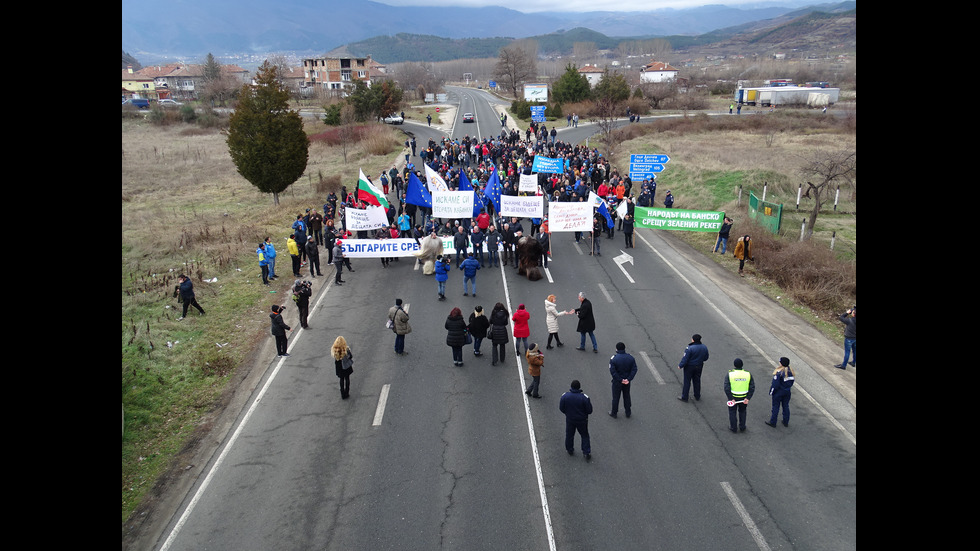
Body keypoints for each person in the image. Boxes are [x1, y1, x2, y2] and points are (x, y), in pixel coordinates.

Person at [559, 380, 593, 461]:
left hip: (570, 419)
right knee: (584, 435)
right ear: (579, 387)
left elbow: (561, 408)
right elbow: (589, 410)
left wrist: (568, 413)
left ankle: (569, 449)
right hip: (582, 420)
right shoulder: (584, 398)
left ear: (571, 387)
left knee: (569, 434)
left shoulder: (565, 396)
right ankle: (586, 452)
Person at [724, 358, 755, 432]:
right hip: (744, 398)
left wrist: (731, 398)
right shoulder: (748, 374)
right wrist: (748, 398)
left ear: (734, 365)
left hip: (733, 397)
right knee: (742, 412)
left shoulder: (730, 374)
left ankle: (733, 428)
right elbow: (752, 387)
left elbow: (726, 387)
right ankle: (742, 427)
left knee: (732, 412)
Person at [608, 342, 638, 418]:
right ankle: (628, 412)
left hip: (617, 382)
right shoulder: (630, 358)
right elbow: (634, 369)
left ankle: (614, 413)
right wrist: (628, 379)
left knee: (616, 397)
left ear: (617, 349)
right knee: (627, 396)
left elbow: (613, 371)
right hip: (627, 381)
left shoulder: (614, 359)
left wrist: (620, 379)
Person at [677, 334, 709, 402]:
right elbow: (706, 358)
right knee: (697, 380)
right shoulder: (704, 347)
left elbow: (685, 358)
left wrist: (680, 365)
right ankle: (697, 395)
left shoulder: (690, 348)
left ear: (693, 340)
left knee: (687, 381)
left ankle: (685, 397)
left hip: (690, 367)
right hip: (699, 366)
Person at [765, 357, 795, 427]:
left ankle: (773, 422)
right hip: (787, 392)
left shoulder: (779, 373)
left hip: (779, 392)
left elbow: (775, 384)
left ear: (781, 363)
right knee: (785, 406)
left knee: (776, 407)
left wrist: (771, 392)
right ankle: (785, 421)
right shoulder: (791, 371)